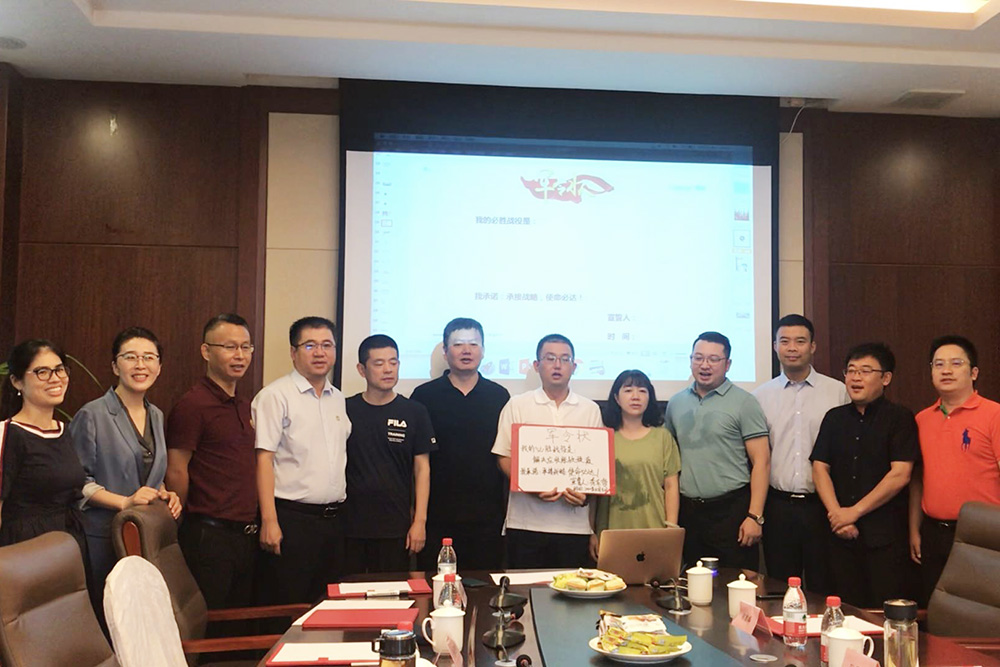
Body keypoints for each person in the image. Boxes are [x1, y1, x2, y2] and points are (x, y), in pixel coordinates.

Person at [70, 327, 181, 616]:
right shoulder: (92, 414)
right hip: (102, 538)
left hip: (143, 537)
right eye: (130, 357)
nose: (140, 365)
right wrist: (125, 502)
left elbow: (148, 474)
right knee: (109, 619)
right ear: (115, 366)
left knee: (140, 621)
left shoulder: (156, 414)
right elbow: (76, 482)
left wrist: (163, 492)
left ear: (159, 366)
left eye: (149, 357)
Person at [252, 316, 351, 604]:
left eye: (327, 345)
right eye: (310, 345)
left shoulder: (338, 399)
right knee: (289, 605)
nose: (319, 353)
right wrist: (269, 520)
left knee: (328, 606)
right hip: (292, 520)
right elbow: (263, 460)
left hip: (334, 521)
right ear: (293, 352)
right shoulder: (275, 396)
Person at [811, 342, 917, 608]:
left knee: (882, 612)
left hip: (884, 539)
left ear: (886, 378)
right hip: (838, 536)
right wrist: (837, 514)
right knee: (843, 610)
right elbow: (820, 467)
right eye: (851, 370)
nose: (855, 378)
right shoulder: (834, 418)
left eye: (866, 371)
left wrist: (854, 512)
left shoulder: (900, 418)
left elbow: (900, 474)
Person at [165, 314, 258, 610]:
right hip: (208, 535)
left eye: (246, 347)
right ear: (206, 351)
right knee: (211, 622)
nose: (240, 355)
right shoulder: (192, 405)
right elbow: (176, 469)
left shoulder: (245, 405)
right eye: (230, 347)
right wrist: (178, 521)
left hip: (246, 536)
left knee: (240, 623)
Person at [752, 314, 847, 593]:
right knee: (780, 587)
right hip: (778, 506)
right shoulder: (760, 396)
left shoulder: (838, 392)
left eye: (800, 341)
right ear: (775, 346)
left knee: (824, 586)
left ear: (813, 346)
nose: (792, 348)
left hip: (822, 507)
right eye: (785, 341)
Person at [491, 334, 602, 569]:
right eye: (550, 358)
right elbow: (503, 457)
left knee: (571, 589)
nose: (557, 365)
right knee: (525, 589)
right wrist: (529, 485)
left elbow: (597, 465)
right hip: (525, 524)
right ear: (536, 365)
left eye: (564, 359)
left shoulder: (590, 409)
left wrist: (585, 494)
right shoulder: (517, 404)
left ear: (574, 366)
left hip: (574, 527)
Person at [665, 331, 770, 570]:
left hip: (731, 511)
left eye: (713, 359)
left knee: (735, 582)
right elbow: (669, 460)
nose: (705, 365)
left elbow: (762, 462)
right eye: (698, 358)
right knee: (692, 582)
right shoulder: (676, 403)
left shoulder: (745, 402)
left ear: (728, 364)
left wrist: (754, 516)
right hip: (689, 513)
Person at [411, 317, 510, 571]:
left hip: (487, 517)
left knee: (485, 586)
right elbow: (417, 460)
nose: (467, 350)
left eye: (473, 344)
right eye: (458, 344)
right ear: (445, 352)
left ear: (483, 351)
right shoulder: (424, 396)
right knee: (435, 585)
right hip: (437, 516)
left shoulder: (499, 396)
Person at [910, 335, 1000, 605]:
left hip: (982, 534)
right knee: (935, 611)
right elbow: (918, 480)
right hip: (933, 532)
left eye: (956, 363)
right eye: (938, 364)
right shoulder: (922, 419)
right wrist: (914, 529)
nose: (946, 370)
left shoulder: (994, 414)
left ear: (974, 372)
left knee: (979, 614)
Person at [343, 335, 436, 573]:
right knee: (349, 591)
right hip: (348, 525)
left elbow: (422, 469)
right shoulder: (345, 409)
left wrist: (420, 522)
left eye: (393, 362)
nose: (388, 369)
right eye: (379, 363)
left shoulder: (414, 411)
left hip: (396, 526)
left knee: (393, 591)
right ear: (361, 370)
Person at [0, 340, 87, 561]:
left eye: (59, 369)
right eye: (42, 372)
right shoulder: (8, 433)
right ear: (17, 381)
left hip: (67, 543)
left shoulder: (63, 430)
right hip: (25, 551)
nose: (55, 378)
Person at [592, 369, 680, 559]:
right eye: (628, 390)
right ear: (616, 398)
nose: (635, 396)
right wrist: (592, 530)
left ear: (649, 397)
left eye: (642, 391)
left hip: (655, 528)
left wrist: (671, 528)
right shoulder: (604, 437)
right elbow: (595, 492)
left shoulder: (662, 437)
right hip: (612, 530)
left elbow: (671, 485)